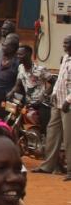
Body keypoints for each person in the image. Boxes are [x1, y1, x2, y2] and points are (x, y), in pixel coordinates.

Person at [38, 34, 71, 178]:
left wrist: (68, 101)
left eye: (67, 43)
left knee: (68, 137)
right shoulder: (65, 58)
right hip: (57, 102)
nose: (64, 45)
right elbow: (60, 79)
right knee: (52, 133)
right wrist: (54, 94)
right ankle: (48, 166)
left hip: (67, 104)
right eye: (64, 43)